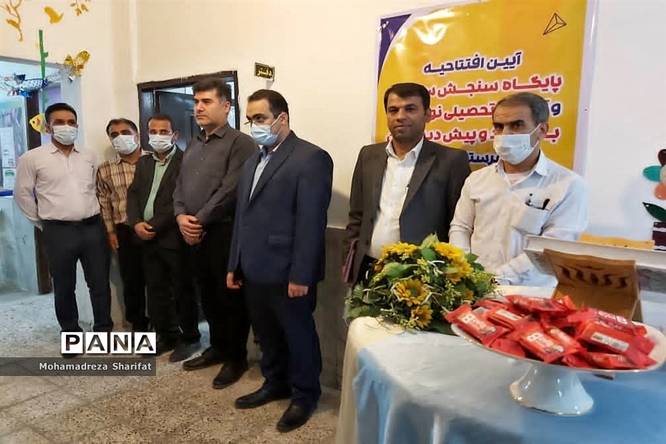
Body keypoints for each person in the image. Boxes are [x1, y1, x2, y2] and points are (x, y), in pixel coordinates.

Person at [227, 89, 333, 432]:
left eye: (260, 118)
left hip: (289, 271)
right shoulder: (252, 161)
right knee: (267, 334)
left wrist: (301, 274)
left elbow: (311, 222)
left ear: (281, 118)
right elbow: (242, 217)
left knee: (298, 337)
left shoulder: (311, 158)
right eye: (250, 119)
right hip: (253, 268)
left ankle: (304, 395)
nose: (254, 125)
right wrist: (234, 264)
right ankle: (275, 382)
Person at [449, 92, 588, 286]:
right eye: (499, 126)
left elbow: (552, 247)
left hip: (530, 293)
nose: (505, 134)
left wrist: (496, 279)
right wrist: (465, 268)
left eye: (516, 125)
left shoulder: (568, 185)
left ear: (542, 130)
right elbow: (460, 228)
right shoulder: (477, 179)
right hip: (474, 288)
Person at [173, 78, 257, 388]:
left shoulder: (241, 143)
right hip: (192, 234)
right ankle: (218, 347)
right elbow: (179, 185)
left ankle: (236, 357)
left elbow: (230, 189)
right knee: (206, 295)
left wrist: (197, 221)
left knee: (229, 298)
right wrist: (180, 216)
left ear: (226, 106)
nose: (198, 107)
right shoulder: (194, 142)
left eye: (206, 101)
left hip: (223, 233)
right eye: (196, 101)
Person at [343, 82, 471, 284]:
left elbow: (457, 224)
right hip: (369, 267)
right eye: (393, 110)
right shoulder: (368, 155)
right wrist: (350, 259)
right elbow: (357, 214)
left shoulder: (451, 161)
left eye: (410, 109)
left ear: (427, 115)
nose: (400, 116)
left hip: (420, 274)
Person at [14, 103, 113, 355]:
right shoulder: (32, 158)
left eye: (70, 122)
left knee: (99, 284)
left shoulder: (89, 156)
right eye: (59, 122)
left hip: (92, 227)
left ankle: (103, 333)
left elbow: (96, 189)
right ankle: (71, 336)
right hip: (57, 231)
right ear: (48, 127)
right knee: (64, 287)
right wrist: (43, 223)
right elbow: (22, 195)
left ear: (77, 125)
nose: (66, 127)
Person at [126, 113, 201, 360]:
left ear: (174, 135)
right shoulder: (144, 163)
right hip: (146, 239)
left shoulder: (186, 161)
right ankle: (166, 336)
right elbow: (133, 194)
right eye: (153, 131)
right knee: (156, 290)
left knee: (182, 290)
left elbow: (180, 200)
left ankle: (189, 338)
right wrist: (136, 222)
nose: (157, 136)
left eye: (163, 131)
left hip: (173, 238)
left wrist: (152, 225)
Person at [96, 118, 149, 332]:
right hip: (125, 231)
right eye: (114, 134)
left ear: (137, 135)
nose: (120, 137)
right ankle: (138, 325)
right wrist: (110, 232)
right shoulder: (105, 169)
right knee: (132, 281)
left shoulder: (154, 161)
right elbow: (104, 202)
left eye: (125, 132)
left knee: (162, 280)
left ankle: (167, 326)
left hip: (157, 229)